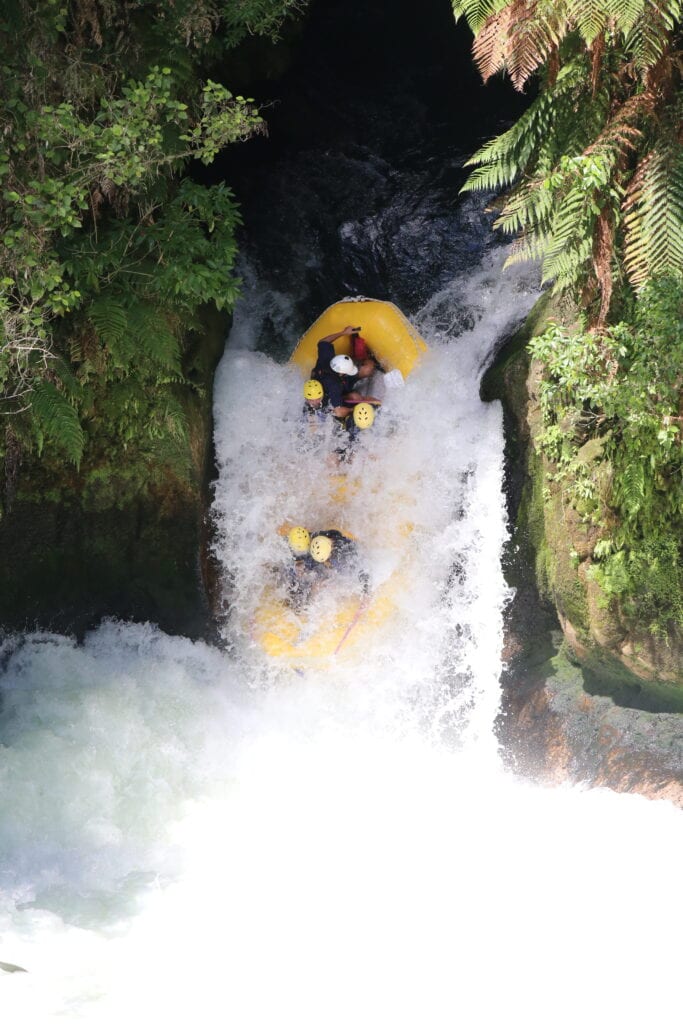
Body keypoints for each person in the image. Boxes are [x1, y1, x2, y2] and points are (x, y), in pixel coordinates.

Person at [311, 325, 382, 421]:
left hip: (339, 380)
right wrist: (356, 409)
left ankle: (363, 356)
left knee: (368, 368)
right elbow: (339, 412)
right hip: (333, 391)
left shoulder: (326, 359)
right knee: (355, 396)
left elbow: (323, 342)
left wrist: (343, 333)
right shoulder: (334, 387)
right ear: (342, 373)